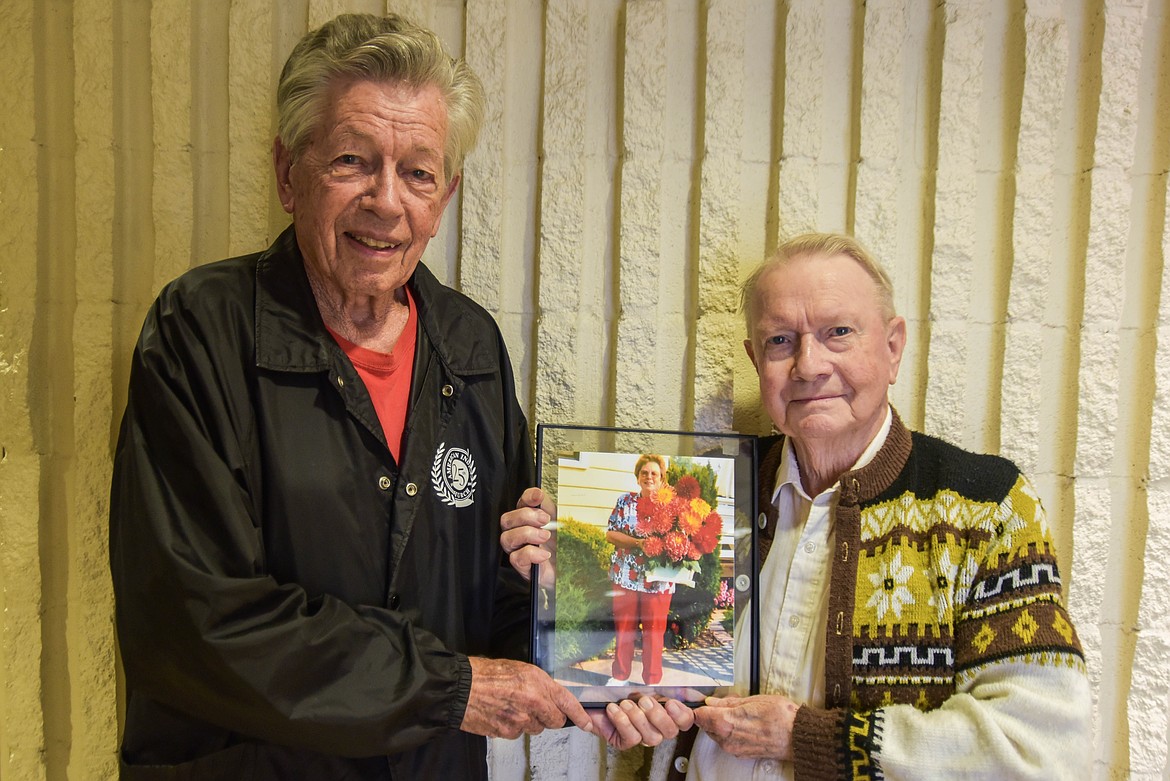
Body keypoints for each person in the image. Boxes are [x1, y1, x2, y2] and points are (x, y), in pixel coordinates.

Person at [109, 13, 594, 780]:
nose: (386, 201)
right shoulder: (201, 330)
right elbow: (194, 619)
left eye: (419, 173)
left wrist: (593, 641)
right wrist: (450, 687)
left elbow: (503, 592)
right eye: (351, 161)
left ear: (447, 195)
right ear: (287, 172)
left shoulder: (471, 348)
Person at [504, 232, 1092, 778]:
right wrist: (569, 575)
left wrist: (811, 739)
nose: (809, 364)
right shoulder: (713, 491)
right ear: (756, 360)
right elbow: (650, 649)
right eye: (780, 340)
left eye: (839, 332)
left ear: (893, 348)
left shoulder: (985, 506)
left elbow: (1040, 749)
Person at [606, 454, 676, 685]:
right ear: (637, 478)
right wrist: (638, 544)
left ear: (662, 479)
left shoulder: (672, 506)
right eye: (644, 473)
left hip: (659, 580)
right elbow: (610, 534)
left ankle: (653, 680)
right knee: (624, 628)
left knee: (654, 633)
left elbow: (684, 540)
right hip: (625, 575)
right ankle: (620, 676)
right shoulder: (625, 502)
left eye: (654, 473)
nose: (649, 477)